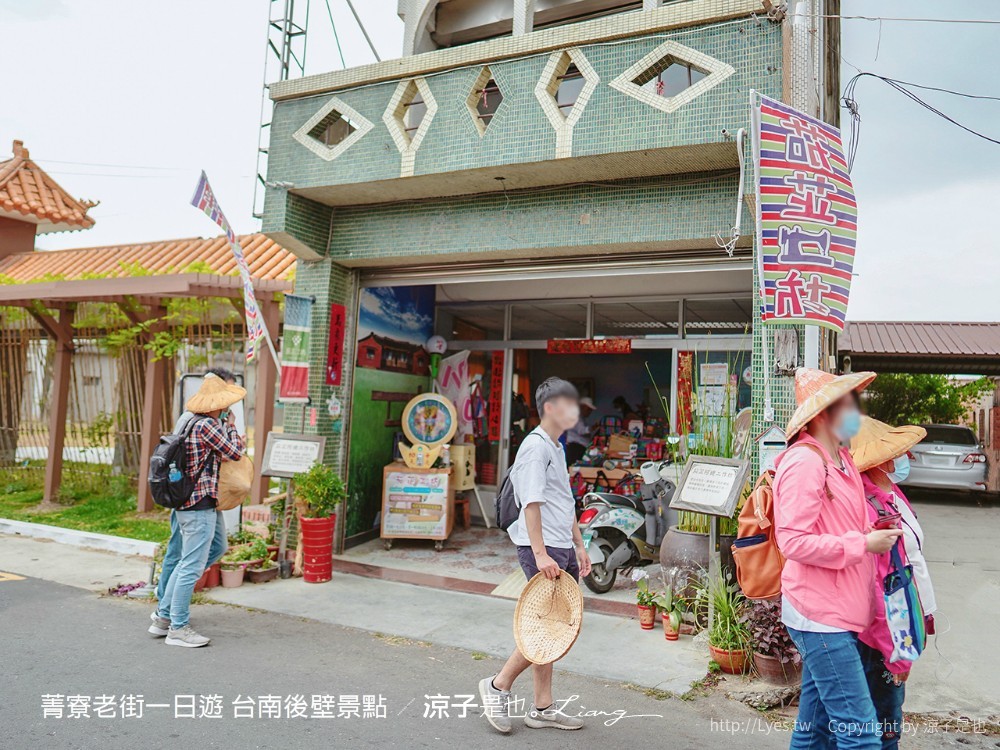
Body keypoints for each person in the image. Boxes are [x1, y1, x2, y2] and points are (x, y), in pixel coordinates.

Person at [773, 368, 904, 749]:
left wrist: (869, 535)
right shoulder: (805, 463)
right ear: (821, 415)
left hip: (839, 611)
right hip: (819, 616)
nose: (855, 413)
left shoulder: (842, 460)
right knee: (860, 734)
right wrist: (863, 544)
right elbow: (793, 542)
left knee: (814, 729)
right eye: (846, 405)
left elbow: (841, 524)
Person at [479, 377, 592, 734]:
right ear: (550, 408)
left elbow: (565, 500)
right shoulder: (535, 447)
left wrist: (578, 544)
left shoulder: (556, 447)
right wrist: (541, 553)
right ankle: (497, 685)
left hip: (561, 544)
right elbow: (532, 503)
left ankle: (542, 707)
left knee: (553, 624)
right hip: (540, 547)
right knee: (547, 626)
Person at [850, 417, 936, 749]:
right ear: (881, 460)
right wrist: (898, 653)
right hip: (880, 640)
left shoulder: (890, 493)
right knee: (883, 727)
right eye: (895, 453)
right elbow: (884, 585)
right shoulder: (872, 508)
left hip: (889, 634)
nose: (902, 458)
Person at [151, 373, 246, 647]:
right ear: (218, 404)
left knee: (217, 548)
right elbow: (235, 452)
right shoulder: (207, 425)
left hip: (196, 502)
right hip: (197, 504)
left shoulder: (189, 419)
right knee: (189, 566)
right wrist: (230, 427)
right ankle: (178, 628)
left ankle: (163, 617)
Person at [563, 396, 595, 466]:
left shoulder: (580, 418)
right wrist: (593, 428)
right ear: (582, 407)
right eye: (588, 409)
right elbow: (582, 431)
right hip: (576, 448)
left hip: (578, 448)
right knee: (574, 469)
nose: (590, 412)